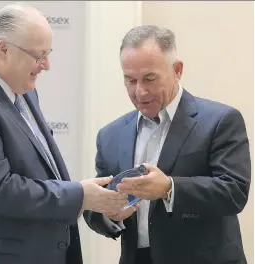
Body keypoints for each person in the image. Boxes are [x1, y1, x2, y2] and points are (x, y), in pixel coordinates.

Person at [0, 3, 128, 264]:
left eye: (48, 53)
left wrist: (93, 198)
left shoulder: (21, 87)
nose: (46, 65)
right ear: (3, 49)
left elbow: (38, 170)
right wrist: (80, 196)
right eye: (39, 55)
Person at [84, 25, 251, 264]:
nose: (140, 92)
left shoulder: (221, 120)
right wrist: (111, 214)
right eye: (130, 80)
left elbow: (234, 192)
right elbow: (95, 207)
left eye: (150, 79)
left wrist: (169, 188)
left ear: (177, 70)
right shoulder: (110, 135)